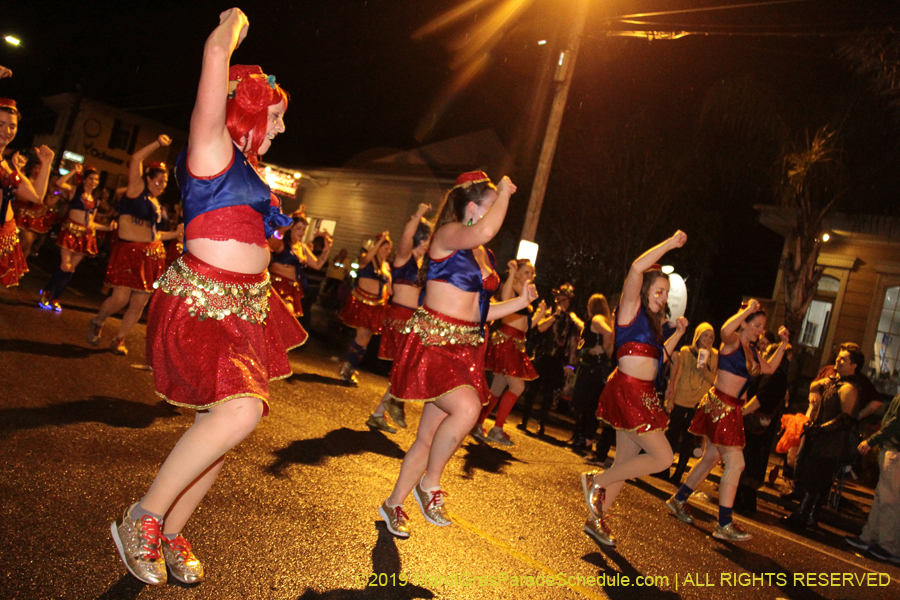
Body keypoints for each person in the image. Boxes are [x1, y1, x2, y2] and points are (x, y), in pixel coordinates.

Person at [110, 9, 303, 586]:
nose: (281, 128)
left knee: (225, 422)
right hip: (200, 304)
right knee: (239, 409)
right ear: (243, 110)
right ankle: (142, 516)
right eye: (274, 116)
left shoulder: (245, 164)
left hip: (245, 307)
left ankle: (170, 528)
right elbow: (214, 64)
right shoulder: (210, 146)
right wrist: (230, 29)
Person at [378, 171, 537, 538]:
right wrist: (508, 193)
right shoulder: (448, 235)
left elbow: (480, 311)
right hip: (434, 343)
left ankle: (393, 503)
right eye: (491, 203)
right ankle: (430, 484)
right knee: (467, 409)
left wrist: (518, 302)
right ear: (471, 207)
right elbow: (482, 230)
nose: (497, 210)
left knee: (429, 437)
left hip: (466, 346)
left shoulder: (484, 254)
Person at [579, 232, 689, 548]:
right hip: (627, 391)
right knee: (663, 457)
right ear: (644, 290)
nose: (663, 297)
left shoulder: (654, 324)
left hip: (643, 394)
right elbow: (636, 268)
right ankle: (594, 481)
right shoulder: (630, 308)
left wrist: (678, 334)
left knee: (624, 466)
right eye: (659, 290)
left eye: (666, 293)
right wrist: (669, 244)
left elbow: (659, 356)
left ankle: (595, 519)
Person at [667, 301, 789, 541]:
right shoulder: (732, 342)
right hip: (721, 406)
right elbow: (724, 330)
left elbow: (771, 368)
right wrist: (745, 311)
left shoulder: (752, 351)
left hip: (727, 408)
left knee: (711, 457)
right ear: (743, 322)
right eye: (756, 325)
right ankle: (724, 524)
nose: (759, 331)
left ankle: (678, 499)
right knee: (737, 464)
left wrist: (783, 344)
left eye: (762, 327)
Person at [87, 136, 183, 355]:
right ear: (147, 179)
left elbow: (153, 234)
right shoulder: (136, 191)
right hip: (129, 251)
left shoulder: (157, 204)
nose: (161, 186)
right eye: (158, 181)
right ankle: (98, 320)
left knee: (139, 303)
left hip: (151, 254)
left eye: (165, 184)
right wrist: (158, 143)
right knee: (120, 298)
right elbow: (136, 158)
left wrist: (175, 234)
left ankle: (119, 339)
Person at [367, 204, 432, 433]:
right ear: (422, 240)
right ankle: (393, 403)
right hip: (399, 317)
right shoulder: (404, 258)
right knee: (407, 365)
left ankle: (380, 412)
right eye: (428, 239)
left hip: (413, 319)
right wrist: (419, 214)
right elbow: (406, 235)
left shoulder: (425, 265)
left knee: (407, 366)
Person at [783, 344, 864, 530]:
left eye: (843, 360)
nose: (838, 361)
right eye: (838, 358)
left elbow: (845, 419)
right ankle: (810, 517)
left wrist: (819, 429)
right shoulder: (836, 382)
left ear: (854, 366)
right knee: (814, 478)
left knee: (816, 480)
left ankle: (802, 515)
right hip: (821, 440)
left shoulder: (849, 388)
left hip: (830, 444)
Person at [472, 258, 542, 445]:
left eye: (532, 273)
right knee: (517, 386)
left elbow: (525, 327)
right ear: (518, 273)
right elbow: (504, 300)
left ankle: (478, 423)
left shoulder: (524, 291)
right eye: (527, 272)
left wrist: (540, 314)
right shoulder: (512, 288)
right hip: (507, 342)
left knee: (498, 387)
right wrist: (511, 273)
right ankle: (497, 428)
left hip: (517, 342)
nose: (531, 276)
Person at [40, 164, 115, 310]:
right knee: (65, 265)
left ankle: (56, 297)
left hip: (85, 235)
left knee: (71, 269)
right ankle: (48, 290)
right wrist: (74, 171)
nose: (93, 182)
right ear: (85, 180)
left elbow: (91, 223)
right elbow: (60, 183)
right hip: (70, 232)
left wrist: (107, 227)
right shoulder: (75, 191)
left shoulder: (95, 200)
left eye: (96, 179)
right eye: (91, 179)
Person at [0, 99, 53, 288]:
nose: (7, 131)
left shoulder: (7, 165)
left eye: (12, 126)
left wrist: (46, 164)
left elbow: (37, 196)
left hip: (5, 233)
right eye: (1, 124)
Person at [734, 342, 792, 513]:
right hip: (762, 427)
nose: (764, 355)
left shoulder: (773, 375)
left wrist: (742, 412)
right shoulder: (778, 376)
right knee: (751, 462)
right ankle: (745, 500)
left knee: (747, 461)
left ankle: (743, 501)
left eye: (767, 353)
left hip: (755, 425)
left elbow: (761, 397)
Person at [517, 283, 582, 436]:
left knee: (548, 394)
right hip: (542, 358)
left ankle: (542, 426)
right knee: (532, 391)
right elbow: (540, 328)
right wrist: (554, 316)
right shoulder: (547, 314)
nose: (565, 303)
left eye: (567, 300)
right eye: (562, 299)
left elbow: (573, 342)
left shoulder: (571, 321)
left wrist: (571, 365)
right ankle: (525, 420)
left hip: (556, 362)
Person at [845, 390, 900, 564]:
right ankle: (869, 537)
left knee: (888, 500)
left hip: (895, 451)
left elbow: (895, 423)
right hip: (892, 449)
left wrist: (872, 440)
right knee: (882, 497)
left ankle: (888, 546)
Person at [663, 322, 718, 483]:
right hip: (681, 399)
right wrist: (670, 400)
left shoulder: (715, 356)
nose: (707, 339)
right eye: (705, 335)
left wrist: (705, 370)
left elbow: (716, 381)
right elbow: (676, 376)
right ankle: (664, 469)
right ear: (698, 336)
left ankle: (679, 473)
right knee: (671, 435)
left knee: (689, 439)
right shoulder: (686, 352)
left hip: (699, 403)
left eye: (711, 336)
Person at [338, 231, 392, 385]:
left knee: (366, 338)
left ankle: (350, 367)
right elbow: (368, 257)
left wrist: (388, 277)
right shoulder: (366, 259)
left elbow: (390, 290)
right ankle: (346, 367)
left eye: (388, 249)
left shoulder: (385, 266)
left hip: (377, 305)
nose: (386, 252)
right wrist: (380, 240)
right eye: (384, 248)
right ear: (376, 247)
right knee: (361, 335)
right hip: (362, 301)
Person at [569, 294, 614, 455]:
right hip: (599, 369)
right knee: (591, 407)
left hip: (592, 368)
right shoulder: (600, 320)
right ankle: (586, 440)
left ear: (591, 306)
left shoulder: (597, 320)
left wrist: (602, 349)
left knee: (580, 402)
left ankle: (581, 438)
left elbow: (608, 333)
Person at [268, 213, 333, 320]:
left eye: (304, 230)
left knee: (287, 320)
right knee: (281, 317)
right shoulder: (282, 243)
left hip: (293, 287)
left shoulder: (302, 247)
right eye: (298, 228)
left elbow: (317, 265)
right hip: (277, 285)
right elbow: (270, 244)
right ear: (291, 228)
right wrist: (283, 229)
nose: (302, 232)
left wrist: (328, 247)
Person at [14, 157, 68, 259]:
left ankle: (18, 269)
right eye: (35, 168)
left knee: (29, 242)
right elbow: (21, 197)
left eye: (40, 168)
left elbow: (48, 203)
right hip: (18, 215)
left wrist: (58, 195)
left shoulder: (43, 187)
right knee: (25, 240)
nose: (37, 171)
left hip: (34, 218)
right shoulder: (24, 180)